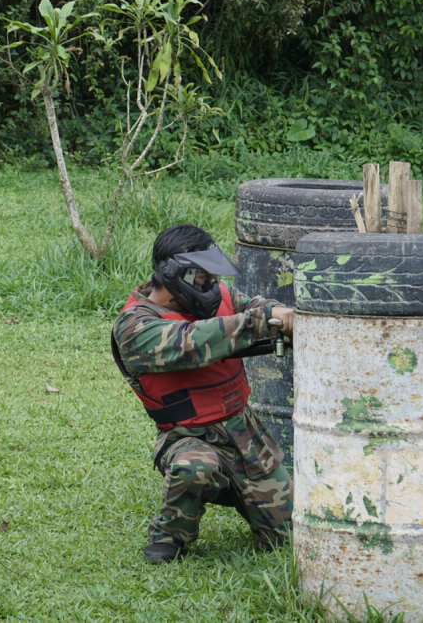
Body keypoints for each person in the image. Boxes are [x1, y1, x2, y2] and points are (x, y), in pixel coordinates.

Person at [111, 223, 294, 564]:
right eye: (203, 278)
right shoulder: (134, 327)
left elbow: (255, 306)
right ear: (174, 274)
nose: (211, 286)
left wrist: (283, 315)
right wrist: (263, 319)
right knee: (194, 467)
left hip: (245, 436)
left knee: (289, 535)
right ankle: (169, 534)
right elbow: (193, 340)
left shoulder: (220, 296)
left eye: (212, 278)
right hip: (187, 438)